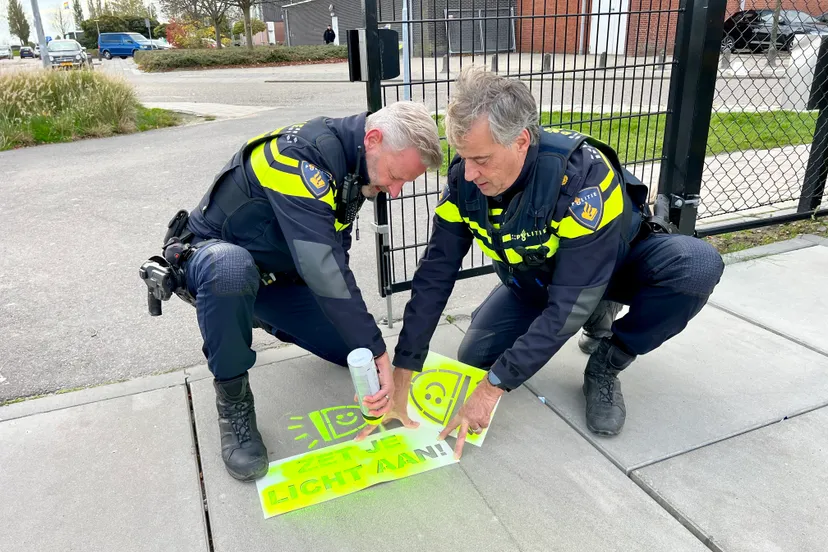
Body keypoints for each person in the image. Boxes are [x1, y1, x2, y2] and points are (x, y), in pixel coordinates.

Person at [362, 67, 724, 458]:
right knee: (473, 361)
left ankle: (607, 361)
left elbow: (568, 305)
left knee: (696, 266)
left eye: (480, 159)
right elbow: (435, 274)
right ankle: (594, 310)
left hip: (611, 271)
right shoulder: (466, 180)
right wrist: (405, 370)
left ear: (520, 141)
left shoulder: (584, 179)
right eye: (463, 157)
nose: (469, 173)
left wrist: (493, 389)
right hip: (536, 283)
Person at [162, 102, 442, 481]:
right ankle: (234, 403)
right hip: (212, 264)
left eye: (402, 183)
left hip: (274, 279)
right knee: (232, 268)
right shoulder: (295, 159)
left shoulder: (353, 167)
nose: (393, 192)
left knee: (350, 351)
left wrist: (363, 345)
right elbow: (322, 267)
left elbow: (335, 254)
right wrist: (376, 349)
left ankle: (258, 313)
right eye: (395, 176)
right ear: (373, 139)